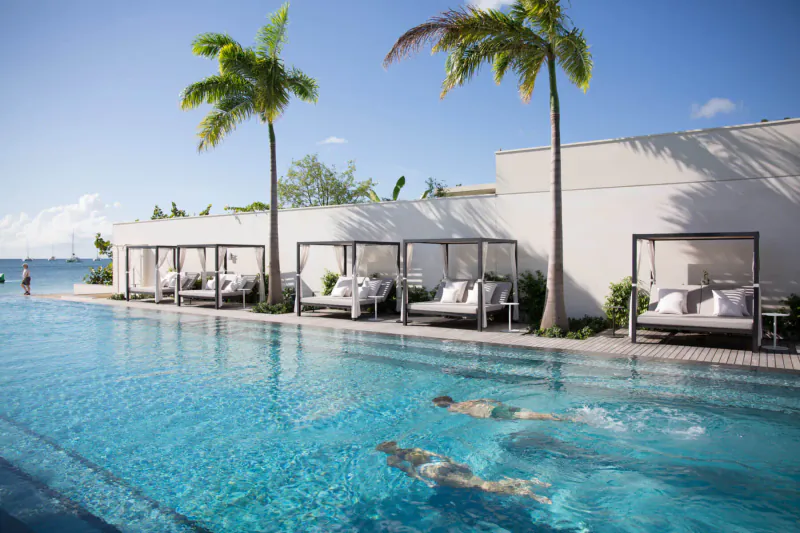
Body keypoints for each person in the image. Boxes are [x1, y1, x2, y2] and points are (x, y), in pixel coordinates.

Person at [376, 441, 551, 504]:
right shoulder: (414, 448)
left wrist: (428, 482)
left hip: (435, 473)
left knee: (484, 487)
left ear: (385, 451)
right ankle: (529, 482)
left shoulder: (392, 460)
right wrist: (456, 464)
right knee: (482, 483)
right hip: (442, 465)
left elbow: (411, 472)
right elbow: (439, 456)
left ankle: (527, 493)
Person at [433, 396, 564, 421]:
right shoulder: (466, 401)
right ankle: (553, 416)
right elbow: (484, 399)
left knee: (529, 417)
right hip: (494, 407)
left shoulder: (452, 409)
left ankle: (558, 418)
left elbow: (471, 414)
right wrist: (498, 403)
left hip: (493, 413)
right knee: (526, 413)